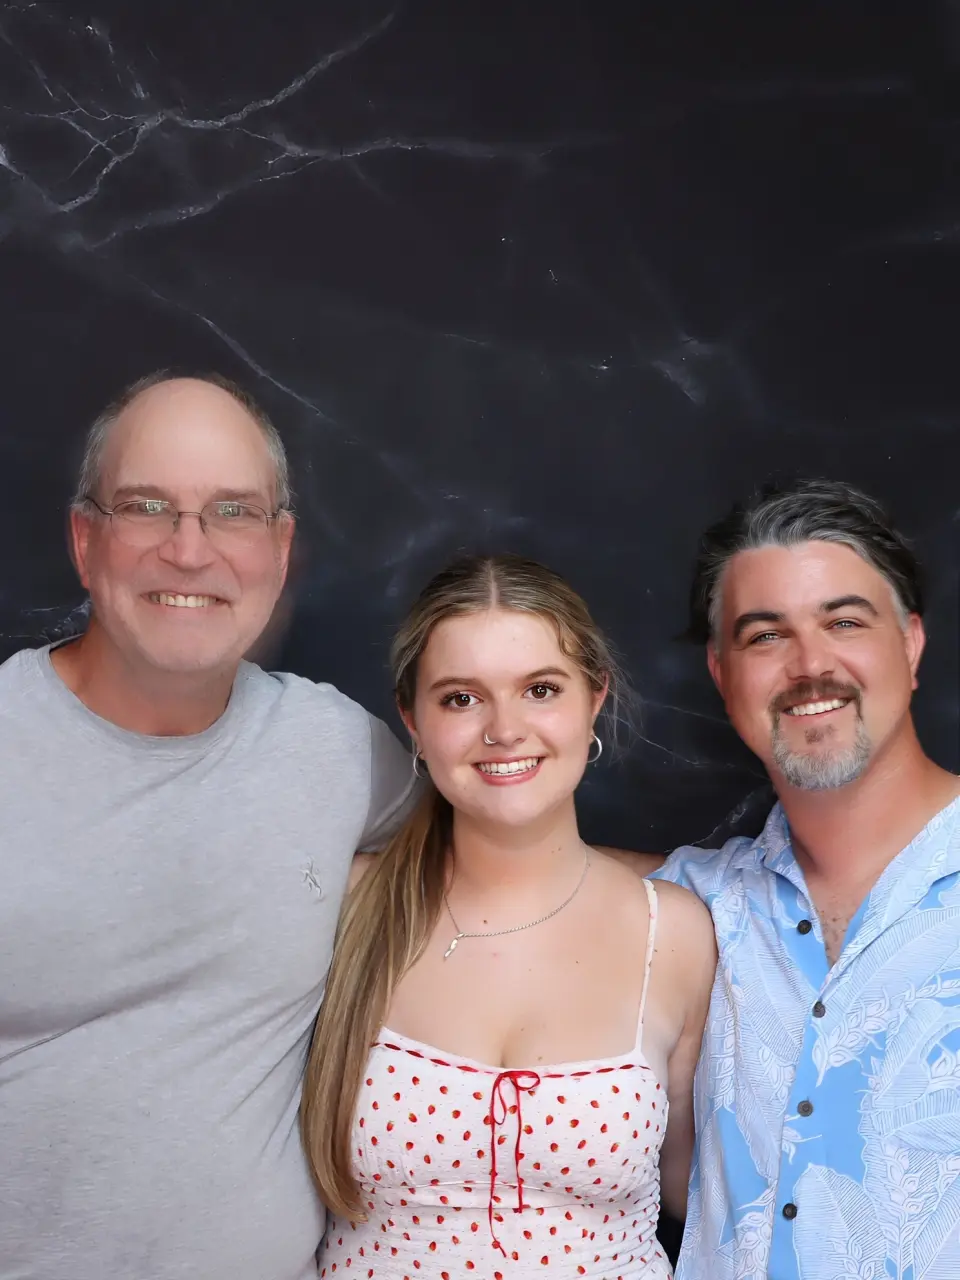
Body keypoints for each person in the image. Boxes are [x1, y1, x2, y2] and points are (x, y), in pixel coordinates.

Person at [0, 372, 419, 1280]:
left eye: (232, 513)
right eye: (147, 508)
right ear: (85, 540)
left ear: (279, 546)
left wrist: (721, 893)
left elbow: (510, 857)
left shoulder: (336, 751)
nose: (189, 553)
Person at [302, 553, 717, 1279]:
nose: (503, 729)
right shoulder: (344, 906)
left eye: (540, 689)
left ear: (594, 698)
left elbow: (711, 1199)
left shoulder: (673, 932)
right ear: (413, 722)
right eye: (461, 698)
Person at [655, 478, 960, 1280]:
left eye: (844, 621)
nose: (810, 664)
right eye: (765, 636)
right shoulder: (690, 910)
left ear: (912, 644)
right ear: (724, 676)